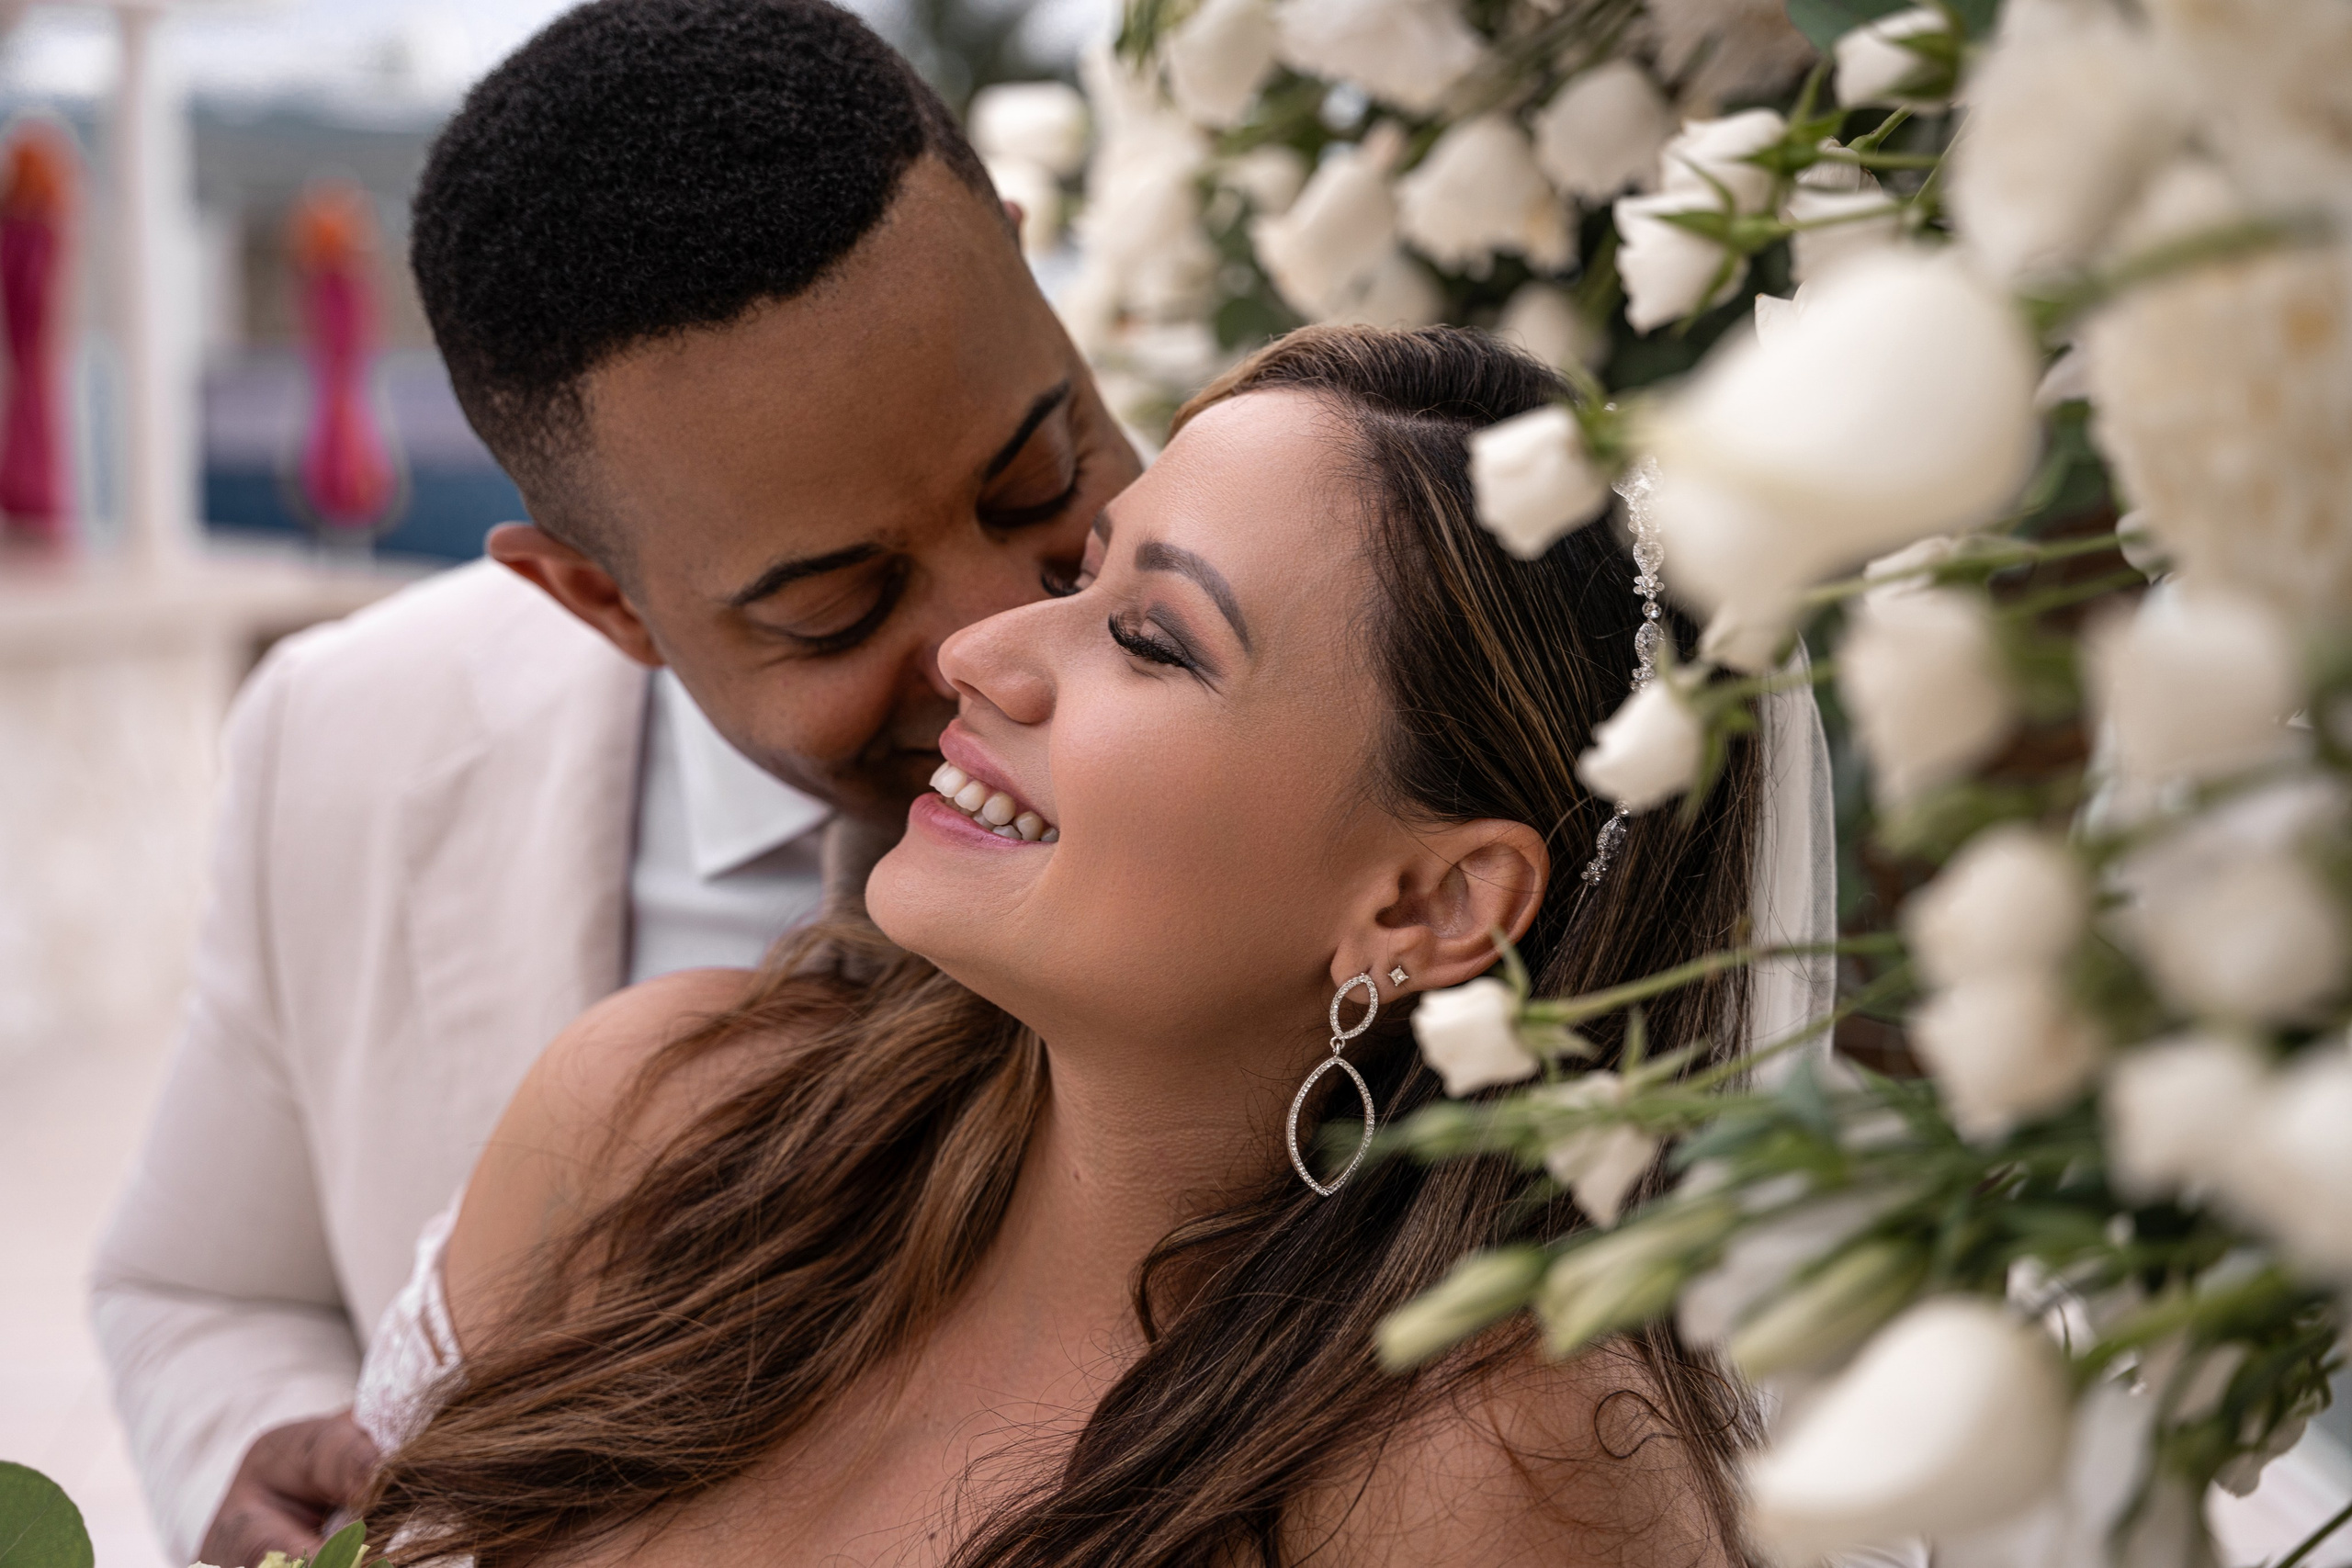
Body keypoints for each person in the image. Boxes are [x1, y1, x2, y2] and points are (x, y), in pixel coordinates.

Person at [354, 325, 1819, 1568]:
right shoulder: (656, 1120)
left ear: (1429, 907)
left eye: (1153, 641)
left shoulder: (1482, 1471)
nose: (976, 656)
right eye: (1081, 581)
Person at [87, 3, 1141, 1562]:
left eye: (1039, 479)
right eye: (837, 607)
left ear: (1026, 267)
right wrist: (273, 1479)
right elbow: (198, 1288)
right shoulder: (347, 735)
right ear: (599, 600)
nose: (1000, 646)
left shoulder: (1345, 668)